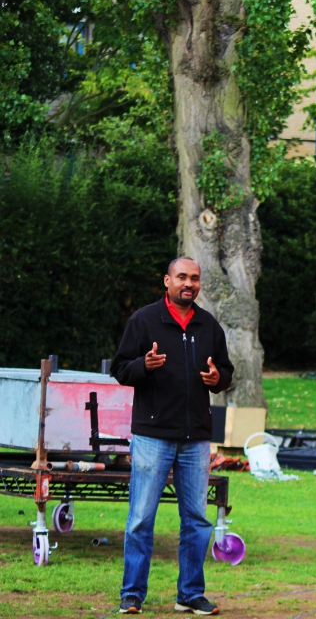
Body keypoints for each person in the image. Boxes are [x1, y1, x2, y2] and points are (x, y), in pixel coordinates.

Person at [111, 257, 233, 615]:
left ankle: (190, 594)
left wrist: (218, 380)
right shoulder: (144, 320)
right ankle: (132, 594)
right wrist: (143, 367)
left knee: (196, 519)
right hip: (152, 436)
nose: (189, 283)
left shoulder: (208, 325)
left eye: (194, 278)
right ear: (167, 281)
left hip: (196, 437)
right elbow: (120, 368)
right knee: (140, 519)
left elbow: (225, 371)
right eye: (182, 277)